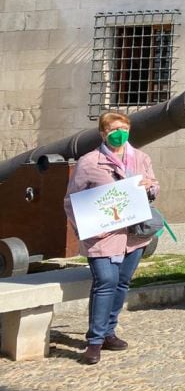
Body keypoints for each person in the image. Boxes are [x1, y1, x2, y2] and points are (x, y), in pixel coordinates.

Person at [64, 111, 158, 365]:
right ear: (103, 133)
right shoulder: (89, 162)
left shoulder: (140, 158)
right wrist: (87, 228)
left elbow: (154, 188)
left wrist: (150, 186)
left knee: (122, 282)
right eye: (115, 129)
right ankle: (94, 341)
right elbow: (71, 201)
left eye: (124, 128)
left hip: (134, 236)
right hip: (102, 236)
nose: (120, 133)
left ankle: (109, 332)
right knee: (105, 282)